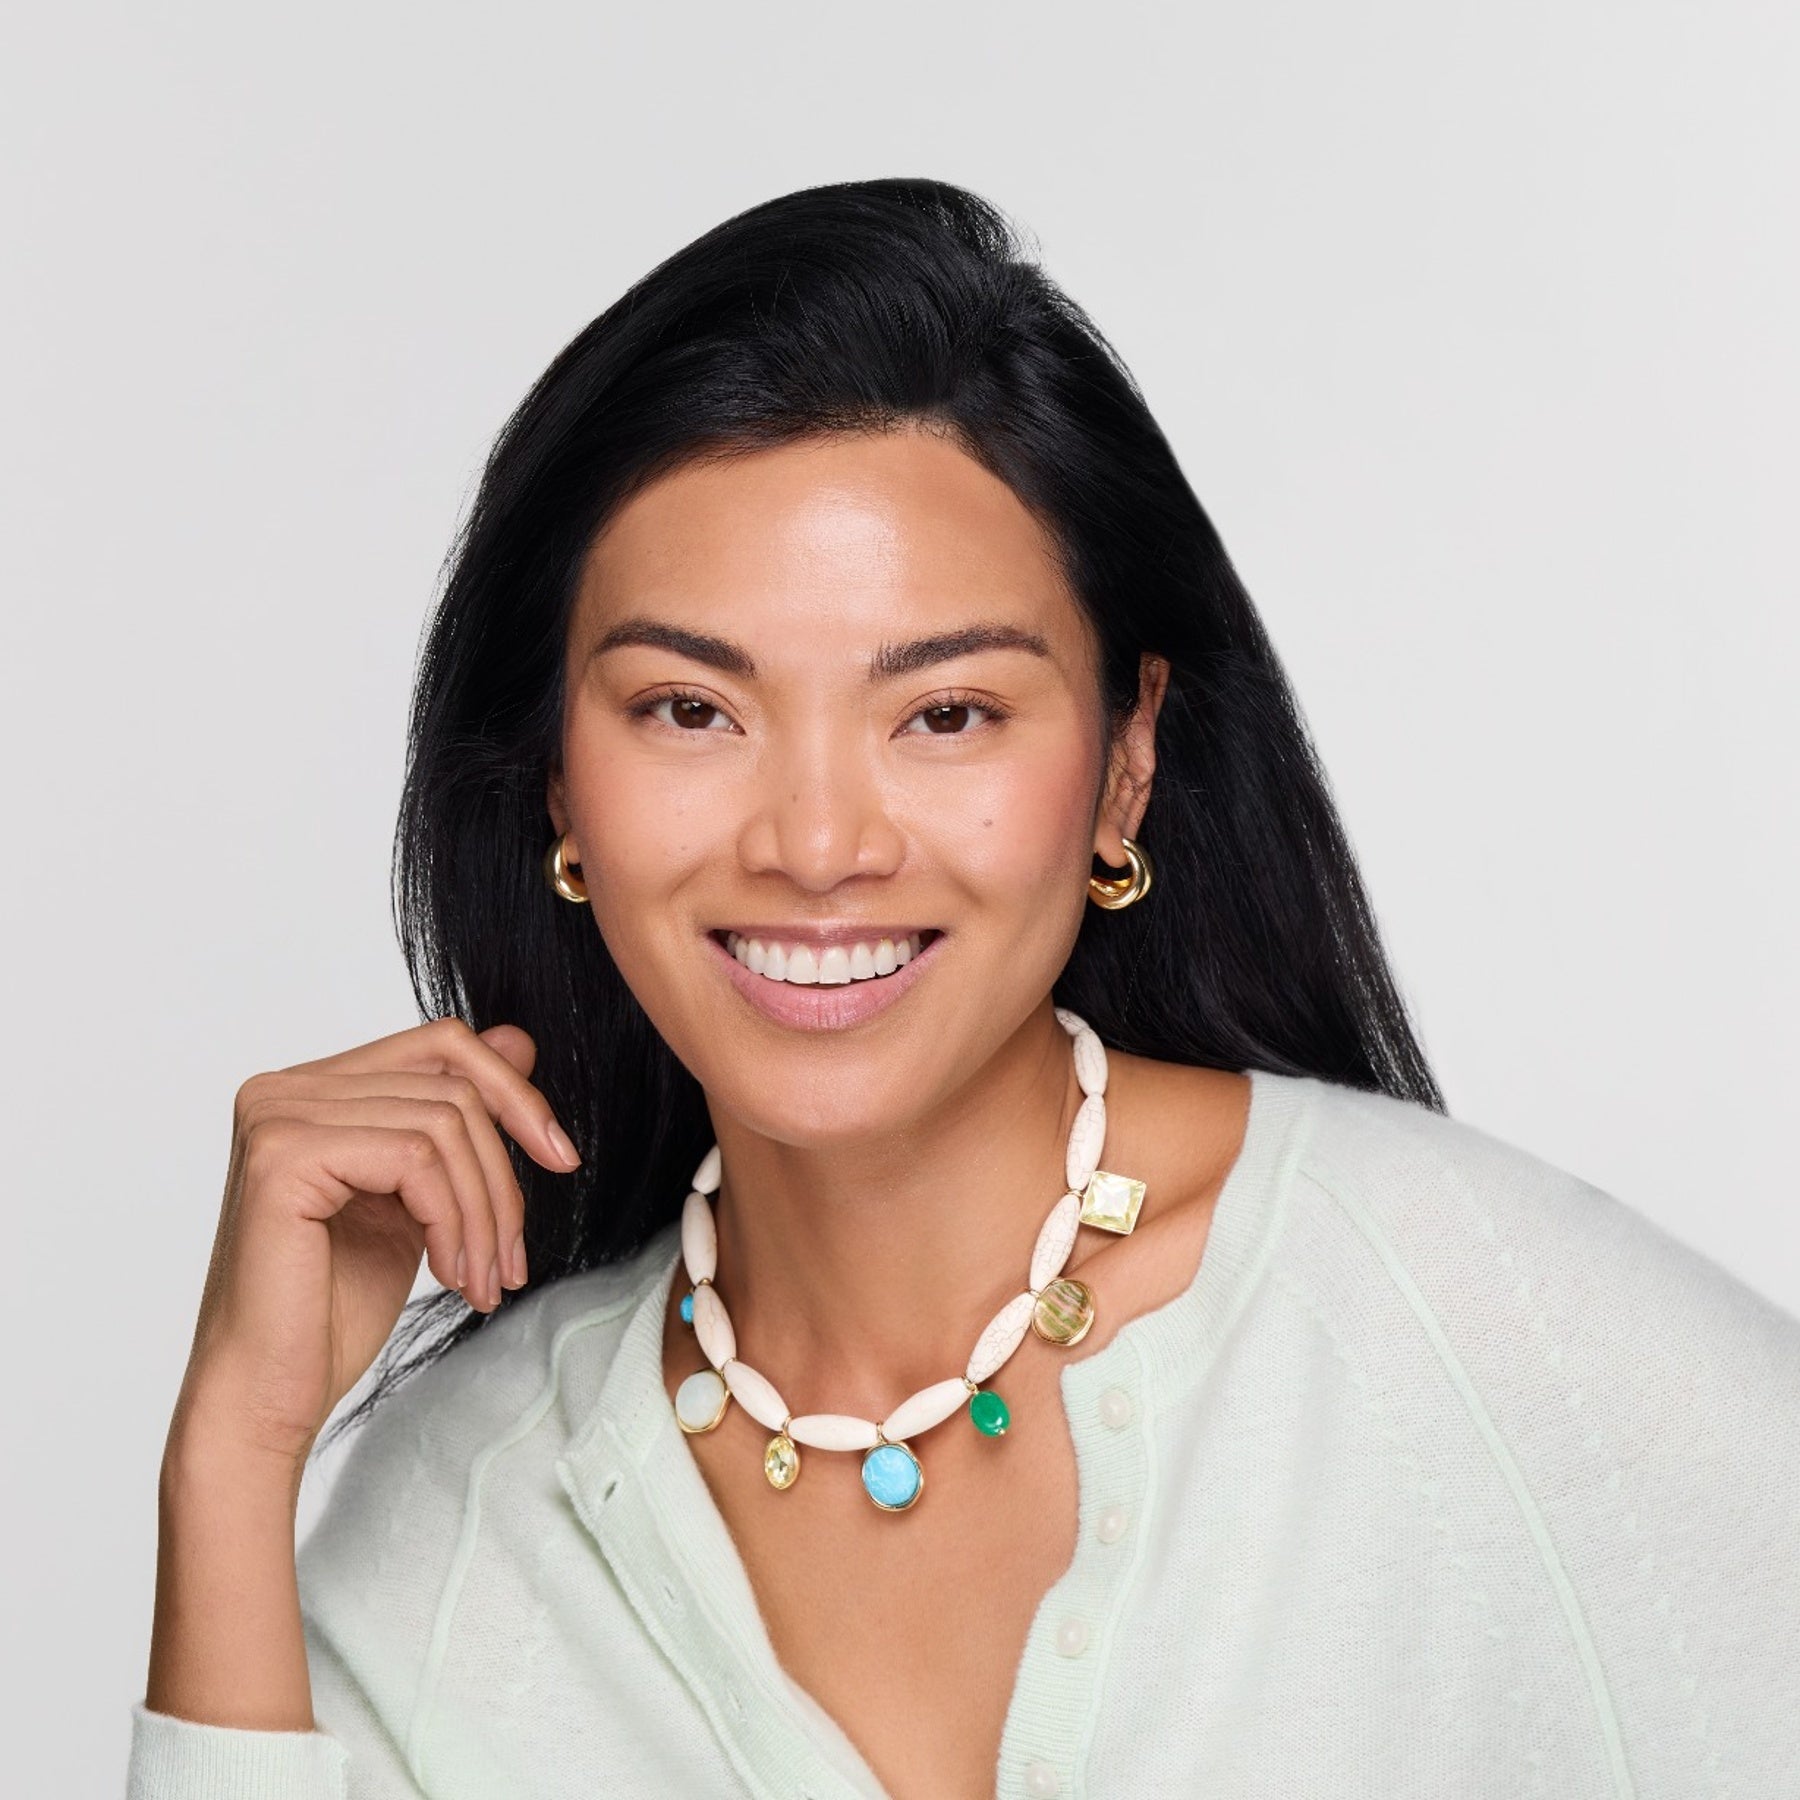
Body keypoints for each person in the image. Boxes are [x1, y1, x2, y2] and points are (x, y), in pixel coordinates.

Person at [127, 178, 1800, 1800]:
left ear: (1127, 760)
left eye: (948, 715)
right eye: (690, 711)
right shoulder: (460, 1524)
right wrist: (230, 1458)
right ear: (562, 786)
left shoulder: (1470, 1327)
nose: (817, 842)